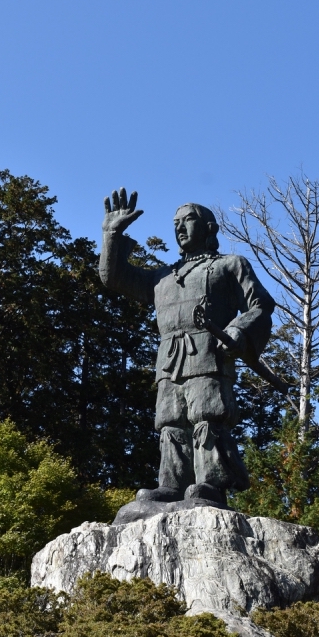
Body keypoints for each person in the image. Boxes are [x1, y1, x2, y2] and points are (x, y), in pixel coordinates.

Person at [99, 187, 275, 504]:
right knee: (170, 420)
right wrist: (111, 236)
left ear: (209, 228)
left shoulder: (229, 265)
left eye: (188, 219)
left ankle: (211, 482)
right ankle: (172, 484)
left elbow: (260, 306)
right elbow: (115, 278)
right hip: (169, 359)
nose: (179, 226)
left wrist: (238, 329)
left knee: (207, 413)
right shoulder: (161, 277)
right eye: (175, 222)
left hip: (209, 353)